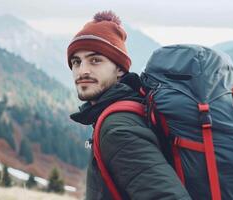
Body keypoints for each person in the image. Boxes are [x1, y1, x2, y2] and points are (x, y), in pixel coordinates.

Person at [67, 10, 191, 200]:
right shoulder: (131, 107)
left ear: (119, 69)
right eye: (76, 62)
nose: (82, 71)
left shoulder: (117, 128)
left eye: (95, 60)